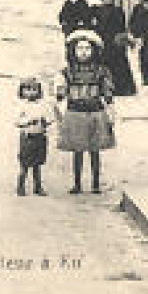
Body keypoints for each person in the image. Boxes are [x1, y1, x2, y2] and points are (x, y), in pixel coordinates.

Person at [56, 29, 115, 194]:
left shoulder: (101, 71)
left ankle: (95, 183)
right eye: (79, 48)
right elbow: (60, 90)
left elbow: (107, 91)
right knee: (77, 150)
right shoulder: (67, 71)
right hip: (75, 112)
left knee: (95, 150)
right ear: (73, 51)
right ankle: (77, 184)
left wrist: (110, 105)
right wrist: (60, 93)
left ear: (94, 50)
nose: (83, 52)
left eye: (87, 48)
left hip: (95, 112)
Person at [14, 76, 58, 197]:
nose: (31, 92)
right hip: (27, 137)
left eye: (34, 89)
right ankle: (20, 186)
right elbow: (16, 121)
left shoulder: (43, 105)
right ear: (22, 91)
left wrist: (45, 121)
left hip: (40, 136)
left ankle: (38, 187)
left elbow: (50, 118)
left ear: (39, 91)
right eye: (27, 89)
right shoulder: (21, 105)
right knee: (24, 164)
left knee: (37, 164)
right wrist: (27, 121)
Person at [92, 0, 136, 97]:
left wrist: (123, 40)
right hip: (103, 41)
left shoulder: (118, 10)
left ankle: (121, 89)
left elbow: (122, 27)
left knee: (119, 65)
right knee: (103, 65)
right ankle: (103, 88)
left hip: (115, 42)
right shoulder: (97, 10)